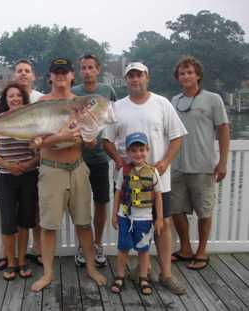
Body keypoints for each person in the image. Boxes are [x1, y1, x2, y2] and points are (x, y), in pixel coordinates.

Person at [104, 62, 188, 295]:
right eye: (130, 76)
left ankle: (166, 274)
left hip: (157, 180)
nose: (135, 79)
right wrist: (119, 161)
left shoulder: (162, 104)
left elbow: (177, 136)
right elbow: (107, 141)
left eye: (139, 75)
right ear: (126, 80)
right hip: (127, 182)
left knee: (162, 224)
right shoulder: (116, 107)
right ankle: (141, 271)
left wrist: (165, 162)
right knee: (127, 223)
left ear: (146, 77)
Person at [30, 57, 107, 292]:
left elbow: (92, 143)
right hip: (51, 170)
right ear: (50, 77)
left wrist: (90, 137)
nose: (61, 76)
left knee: (84, 223)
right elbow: (35, 145)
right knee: (49, 226)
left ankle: (91, 268)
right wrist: (61, 137)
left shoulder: (83, 103)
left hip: (78, 168)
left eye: (65, 72)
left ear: (72, 76)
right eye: (56, 72)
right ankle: (48, 274)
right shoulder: (41, 103)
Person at [170, 56, 230, 270]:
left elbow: (223, 129)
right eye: (182, 73)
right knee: (176, 210)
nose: (186, 76)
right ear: (178, 77)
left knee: (204, 211)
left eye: (190, 72)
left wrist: (222, 162)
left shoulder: (213, 99)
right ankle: (185, 249)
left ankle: (202, 251)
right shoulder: (174, 101)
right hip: (176, 167)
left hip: (203, 167)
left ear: (198, 75)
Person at [0, 59, 44, 270]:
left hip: (29, 175)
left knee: (26, 222)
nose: (14, 98)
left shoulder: (35, 117)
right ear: (6, 99)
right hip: (6, 176)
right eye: (10, 96)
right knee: (7, 222)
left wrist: (27, 164)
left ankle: (22, 260)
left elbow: (40, 152)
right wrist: (9, 165)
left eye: (18, 96)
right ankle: (10, 262)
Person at [72, 53, 117, 268]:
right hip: (77, 158)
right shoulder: (73, 94)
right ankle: (83, 245)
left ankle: (97, 243)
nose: (87, 71)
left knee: (101, 203)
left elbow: (115, 119)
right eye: (83, 68)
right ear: (79, 71)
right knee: (80, 204)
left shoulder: (107, 92)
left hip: (100, 158)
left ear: (98, 70)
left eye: (91, 67)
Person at [110, 132, 163, 295]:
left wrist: (159, 218)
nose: (138, 154)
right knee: (123, 248)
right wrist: (114, 215)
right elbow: (118, 193)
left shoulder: (153, 172)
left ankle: (143, 277)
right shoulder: (123, 171)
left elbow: (159, 196)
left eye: (141, 149)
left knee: (143, 249)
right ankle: (120, 275)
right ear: (127, 152)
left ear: (147, 150)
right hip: (125, 216)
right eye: (133, 150)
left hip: (145, 218)